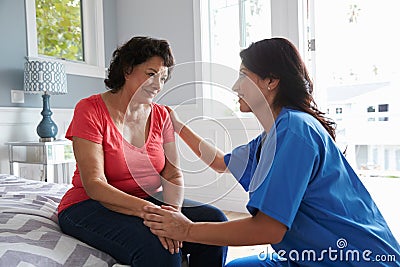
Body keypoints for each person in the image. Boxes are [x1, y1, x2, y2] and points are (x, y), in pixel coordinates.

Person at [143, 37, 400, 266]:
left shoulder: (296, 130)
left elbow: (268, 230)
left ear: (271, 81)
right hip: (305, 255)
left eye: (243, 75)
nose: (235, 86)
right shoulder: (273, 135)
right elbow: (220, 162)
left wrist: (187, 231)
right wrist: (177, 124)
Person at [57, 36, 228, 267]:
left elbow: (172, 174)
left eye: (164, 78)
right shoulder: (89, 110)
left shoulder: (161, 115)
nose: (158, 85)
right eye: (151, 74)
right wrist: (154, 214)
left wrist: (172, 213)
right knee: (160, 248)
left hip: (147, 201)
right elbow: (95, 183)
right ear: (127, 69)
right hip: (89, 205)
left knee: (215, 223)